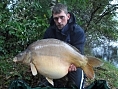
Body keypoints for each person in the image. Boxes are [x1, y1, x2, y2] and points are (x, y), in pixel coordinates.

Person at [42, 3, 85, 89]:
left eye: (62, 17)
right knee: (44, 83)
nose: (59, 21)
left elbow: (79, 52)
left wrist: (74, 64)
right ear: (53, 19)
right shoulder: (49, 32)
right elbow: (45, 52)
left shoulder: (78, 32)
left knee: (76, 85)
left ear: (68, 16)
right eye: (56, 18)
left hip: (72, 61)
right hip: (54, 61)